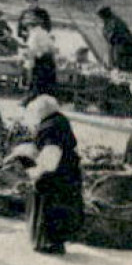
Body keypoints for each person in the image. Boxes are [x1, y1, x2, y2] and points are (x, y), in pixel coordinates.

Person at [11, 95, 85, 255]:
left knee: (46, 205)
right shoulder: (59, 120)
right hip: (68, 172)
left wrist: (33, 170)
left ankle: (47, 243)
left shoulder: (49, 128)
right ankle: (53, 241)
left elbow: (50, 160)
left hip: (57, 176)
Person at [97, 7, 132, 73]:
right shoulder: (112, 21)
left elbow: (112, 38)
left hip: (126, 50)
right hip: (121, 49)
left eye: (101, 17)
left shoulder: (115, 22)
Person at [24, 20, 59, 103]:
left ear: (30, 26)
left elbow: (32, 49)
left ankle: (33, 100)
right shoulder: (45, 33)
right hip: (49, 60)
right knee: (47, 83)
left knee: (37, 82)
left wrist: (29, 61)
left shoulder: (34, 34)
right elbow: (52, 48)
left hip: (41, 60)